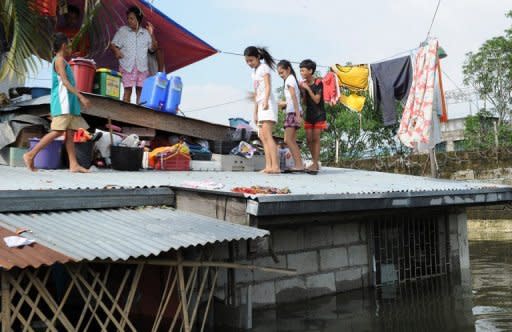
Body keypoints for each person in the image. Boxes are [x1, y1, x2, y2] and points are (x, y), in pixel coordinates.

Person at [24, 33, 91, 173]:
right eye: (69, 45)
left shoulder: (63, 61)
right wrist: (81, 97)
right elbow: (65, 82)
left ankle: (74, 165)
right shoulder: (59, 60)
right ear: (64, 46)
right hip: (63, 103)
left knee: (69, 133)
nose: (71, 48)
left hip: (69, 104)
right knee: (58, 131)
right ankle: (30, 154)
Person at [110, 6, 158, 104]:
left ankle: (138, 117)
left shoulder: (145, 33)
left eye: (132, 18)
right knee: (127, 91)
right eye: (128, 18)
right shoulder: (123, 31)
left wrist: (151, 34)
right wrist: (116, 51)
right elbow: (113, 44)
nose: (129, 20)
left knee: (140, 92)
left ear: (138, 19)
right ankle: (124, 115)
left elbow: (153, 48)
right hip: (127, 66)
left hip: (142, 68)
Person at [244, 46, 280, 174]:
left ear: (258, 57)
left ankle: (275, 166)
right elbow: (255, 93)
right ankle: (269, 166)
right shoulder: (253, 73)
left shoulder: (264, 68)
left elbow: (268, 85)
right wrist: (255, 111)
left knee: (268, 136)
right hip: (260, 105)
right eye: (247, 61)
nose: (249, 63)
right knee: (263, 137)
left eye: (251, 60)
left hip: (268, 103)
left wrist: (265, 101)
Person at [299, 59, 326, 174]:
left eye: (303, 70)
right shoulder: (304, 85)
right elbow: (305, 103)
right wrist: (303, 91)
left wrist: (308, 88)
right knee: (309, 139)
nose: (301, 73)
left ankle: (315, 164)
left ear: (310, 71)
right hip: (309, 114)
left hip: (319, 114)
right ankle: (315, 161)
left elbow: (316, 99)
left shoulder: (318, 83)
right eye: (300, 70)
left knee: (316, 138)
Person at [277, 60, 304, 172]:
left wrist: (297, 115)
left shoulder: (289, 80)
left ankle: (299, 165)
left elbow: (294, 97)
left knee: (288, 139)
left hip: (293, 113)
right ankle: (299, 164)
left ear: (288, 69)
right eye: (279, 74)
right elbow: (293, 99)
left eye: (282, 72)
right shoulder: (292, 79)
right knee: (291, 139)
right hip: (292, 111)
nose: (281, 75)